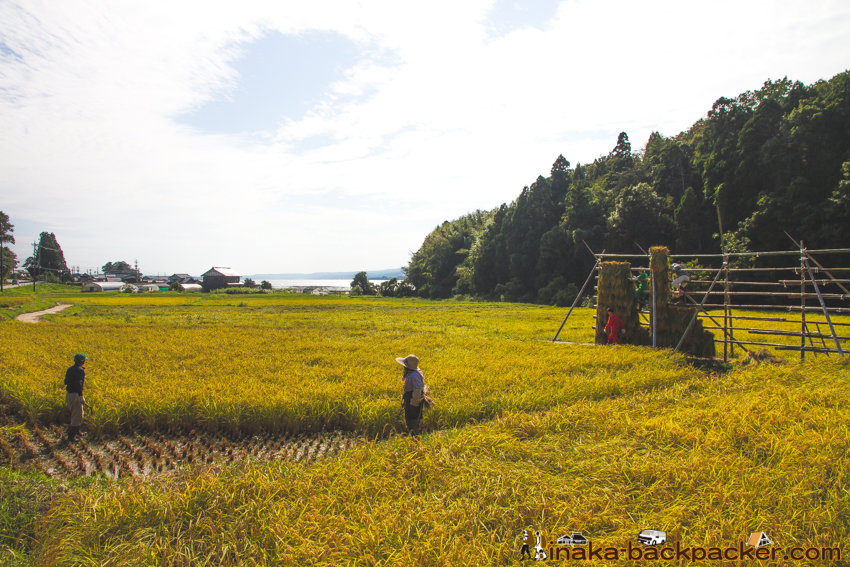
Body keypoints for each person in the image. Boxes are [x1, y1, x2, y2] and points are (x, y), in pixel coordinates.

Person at [396, 354, 426, 435]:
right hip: (410, 399)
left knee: (413, 423)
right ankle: (413, 440)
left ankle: (415, 441)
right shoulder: (410, 374)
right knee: (409, 422)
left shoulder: (414, 375)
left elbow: (417, 391)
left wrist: (413, 405)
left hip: (413, 401)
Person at [64, 353, 87, 441]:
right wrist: (80, 396)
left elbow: (66, 381)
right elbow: (79, 384)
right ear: (82, 361)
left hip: (69, 394)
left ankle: (77, 431)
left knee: (76, 413)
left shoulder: (70, 369)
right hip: (75, 395)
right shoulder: (80, 370)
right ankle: (71, 437)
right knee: (77, 416)